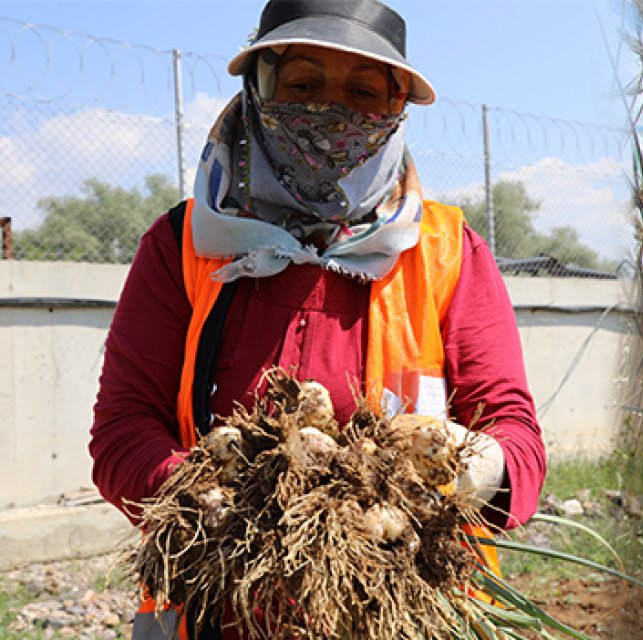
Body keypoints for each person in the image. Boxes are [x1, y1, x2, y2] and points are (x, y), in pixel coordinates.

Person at [87, 0, 546, 637]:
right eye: (303, 85)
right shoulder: (183, 244)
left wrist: (468, 467)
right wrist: (221, 504)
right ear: (259, 90)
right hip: (217, 611)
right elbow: (122, 429)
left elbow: (517, 437)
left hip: (399, 614)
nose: (331, 113)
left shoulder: (449, 251)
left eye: (363, 92)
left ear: (396, 112)